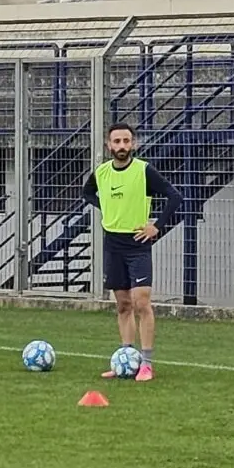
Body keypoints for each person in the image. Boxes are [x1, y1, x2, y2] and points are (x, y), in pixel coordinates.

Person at [83, 124, 183, 382]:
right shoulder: (101, 173)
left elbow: (174, 196)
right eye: (116, 141)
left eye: (126, 141)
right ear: (108, 146)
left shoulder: (143, 171)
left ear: (134, 144)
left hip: (137, 244)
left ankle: (147, 363)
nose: (122, 146)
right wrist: (104, 206)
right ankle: (126, 360)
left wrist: (156, 227)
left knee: (141, 302)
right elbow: (87, 193)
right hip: (113, 244)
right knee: (123, 304)